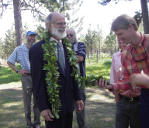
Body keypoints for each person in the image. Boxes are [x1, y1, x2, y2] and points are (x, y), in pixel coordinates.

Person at [29, 12, 84, 128]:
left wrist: (78, 97)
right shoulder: (37, 49)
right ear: (48, 25)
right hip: (52, 106)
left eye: (64, 23)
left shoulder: (67, 46)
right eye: (59, 23)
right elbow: (37, 82)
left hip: (69, 103)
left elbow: (73, 74)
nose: (63, 26)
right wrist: (43, 107)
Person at [97, 15, 144, 128]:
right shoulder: (125, 54)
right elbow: (127, 82)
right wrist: (112, 87)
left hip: (141, 101)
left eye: (120, 34)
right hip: (124, 100)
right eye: (117, 36)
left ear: (131, 27)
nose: (119, 39)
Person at [7, 31, 41, 128]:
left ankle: (37, 123)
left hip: (37, 77)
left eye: (34, 37)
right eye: (30, 36)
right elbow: (9, 62)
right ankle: (29, 124)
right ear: (26, 37)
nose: (32, 38)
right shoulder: (19, 49)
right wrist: (18, 71)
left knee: (37, 101)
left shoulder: (37, 48)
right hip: (26, 77)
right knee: (27, 102)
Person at [66, 28, 86, 128]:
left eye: (71, 35)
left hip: (79, 80)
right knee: (68, 106)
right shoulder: (63, 46)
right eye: (67, 35)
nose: (69, 37)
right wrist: (74, 56)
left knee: (80, 106)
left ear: (75, 35)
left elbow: (80, 58)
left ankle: (81, 126)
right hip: (67, 82)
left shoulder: (81, 44)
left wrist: (67, 56)